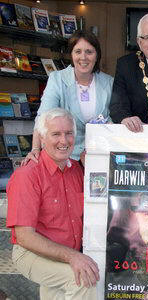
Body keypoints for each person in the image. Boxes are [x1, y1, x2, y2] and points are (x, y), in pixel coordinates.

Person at [6, 108, 99, 299]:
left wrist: (95, 163)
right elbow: (25, 237)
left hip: (64, 252)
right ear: (41, 138)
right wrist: (73, 257)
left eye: (69, 133)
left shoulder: (77, 171)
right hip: (32, 253)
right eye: (56, 134)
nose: (63, 141)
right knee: (82, 280)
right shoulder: (27, 175)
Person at [24, 30, 113, 163]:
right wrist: (35, 149)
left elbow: (113, 120)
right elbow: (43, 117)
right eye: (78, 51)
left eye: (89, 52)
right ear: (71, 54)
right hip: (65, 158)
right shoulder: (57, 79)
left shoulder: (109, 82)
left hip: (99, 158)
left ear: (97, 55)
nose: (83, 57)